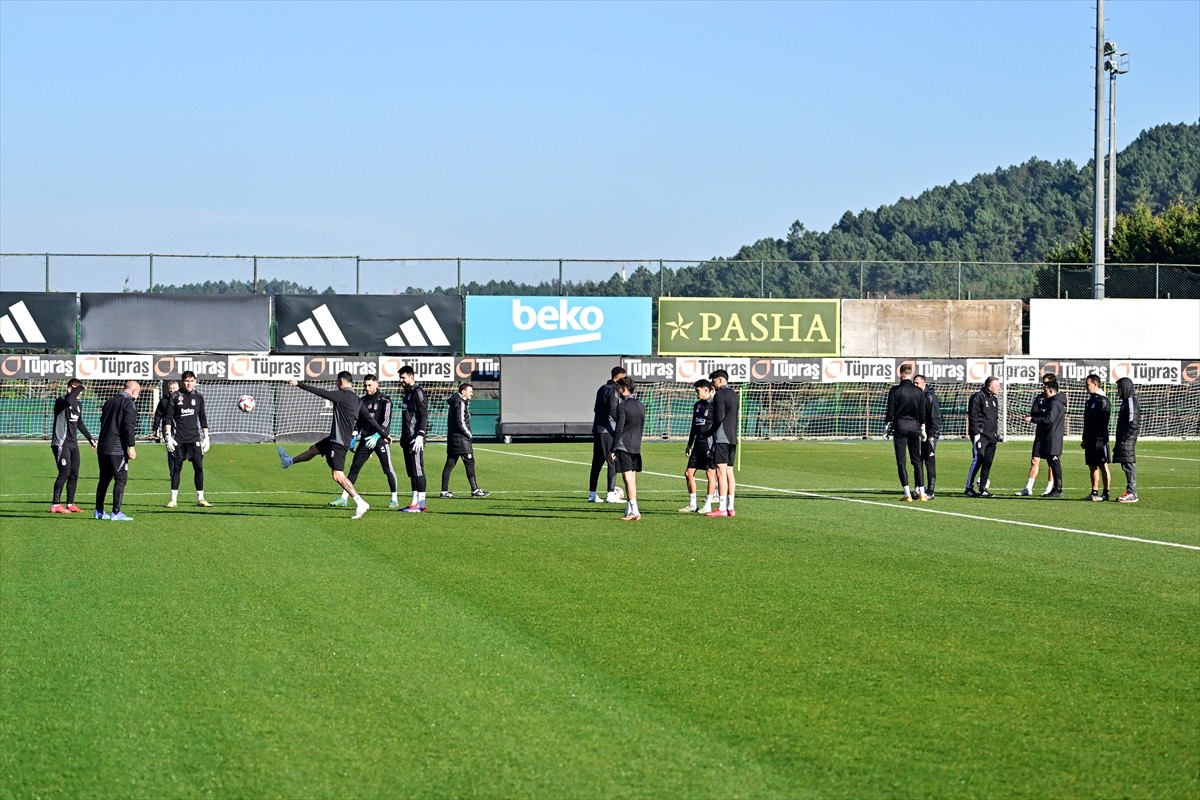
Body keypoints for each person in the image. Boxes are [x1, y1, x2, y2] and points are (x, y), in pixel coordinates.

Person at [278, 371, 391, 519]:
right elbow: (371, 420)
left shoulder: (342, 395)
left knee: (337, 475)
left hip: (339, 443)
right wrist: (384, 434)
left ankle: (360, 502)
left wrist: (299, 384)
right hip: (334, 439)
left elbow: (320, 392)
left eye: (337, 383)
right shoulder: (357, 400)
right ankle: (288, 461)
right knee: (313, 450)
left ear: (341, 382)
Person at [330, 374, 401, 510]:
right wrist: (354, 435)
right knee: (354, 468)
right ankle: (344, 498)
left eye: (369, 385)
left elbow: (386, 421)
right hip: (365, 439)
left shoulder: (385, 400)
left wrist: (377, 435)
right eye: (365, 385)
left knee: (387, 468)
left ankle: (394, 498)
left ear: (376, 384)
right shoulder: (361, 400)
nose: (367, 388)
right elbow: (359, 421)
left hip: (379, 438)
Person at [162, 370, 211, 508]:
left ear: (195, 381)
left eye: (191, 381)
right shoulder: (176, 396)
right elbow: (168, 418)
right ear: (183, 382)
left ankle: (201, 498)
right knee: (176, 468)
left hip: (194, 438)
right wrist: (168, 436)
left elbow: (202, 417)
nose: (189, 384)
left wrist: (206, 436)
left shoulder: (199, 397)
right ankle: (173, 499)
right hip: (178, 439)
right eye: (186, 381)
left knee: (199, 468)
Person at [94, 380, 140, 521]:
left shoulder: (109, 402)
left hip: (103, 447)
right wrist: (131, 446)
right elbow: (129, 426)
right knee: (120, 479)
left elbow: (103, 422)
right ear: (133, 390)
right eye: (139, 392)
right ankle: (116, 512)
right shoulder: (128, 403)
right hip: (117, 448)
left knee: (104, 479)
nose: (138, 396)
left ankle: (99, 512)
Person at [49, 378, 97, 513]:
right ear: (70, 389)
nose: (79, 393)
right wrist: (80, 388)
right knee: (64, 472)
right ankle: (55, 505)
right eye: (76, 390)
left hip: (72, 443)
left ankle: (70, 503)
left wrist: (91, 439)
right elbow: (69, 401)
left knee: (74, 473)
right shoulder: (61, 401)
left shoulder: (78, 405)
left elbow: (79, 423)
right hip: (61, 442)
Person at [885, 363, 928, 501]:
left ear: (900, 374)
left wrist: (887, 427)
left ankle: (907, 493)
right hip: (915, 427)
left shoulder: (895, 390)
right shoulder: (919, 392)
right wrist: (922, 428)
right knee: (917, 461)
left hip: (900, 427)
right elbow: (922, 413)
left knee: (901, 461)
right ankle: (922, 493)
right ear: (910, 374)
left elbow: (890, 412)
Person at [441, 382, 489, 499]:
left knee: (450, 464)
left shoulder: (456, 401)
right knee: (469, 463)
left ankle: (444, 491)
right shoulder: (460, 402)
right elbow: (460, 422)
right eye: (470, 391)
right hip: (461, 440)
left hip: (454, 439)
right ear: (463, 392)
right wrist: (469, 434)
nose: (472, 394)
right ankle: (475, 490)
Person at [609, 376, 646, 522]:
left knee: (627, 478)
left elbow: (619, 428)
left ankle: (635, 511)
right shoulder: (640, 405)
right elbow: (641, 426)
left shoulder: (622, 406)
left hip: (624, 445)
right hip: (636, 445)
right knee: (632, 479)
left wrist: (613, 449)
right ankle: (629, 509)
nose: (617, 390)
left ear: (623, 389)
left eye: (618, 388)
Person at [1015, 373, 1058, 496]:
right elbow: (1034, 412)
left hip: (1051, 434)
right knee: (1034, 460)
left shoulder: (1056, 399)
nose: (1043, 386)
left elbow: (1051, 416)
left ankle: (1050, 487)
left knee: (1052, 461)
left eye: (1045, 383)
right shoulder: (1040, 397)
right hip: (1040, 433)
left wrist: (1042, 414)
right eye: (1042, 383)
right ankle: (1028, 488)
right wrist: (1041, 413)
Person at [588, 366, 626, 503]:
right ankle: (611, 494)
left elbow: (595, 409)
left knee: (597, 463)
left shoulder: (601, 388)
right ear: (618, 377)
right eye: (624, 377)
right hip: (607, 430)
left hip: (597, 429)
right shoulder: (613, 390)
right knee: (612, 460)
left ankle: (592, 494)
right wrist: (622, 422)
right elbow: (612, 410)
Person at [680, 379, 718, 513]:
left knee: (710, 473)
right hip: (697, 444)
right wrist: (689, 444)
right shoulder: (697, 405)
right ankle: (692, 504)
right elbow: (693, 426)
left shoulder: (715, 405)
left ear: (706, 390)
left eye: (698, 390)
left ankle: (708, 504)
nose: (696, 393)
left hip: (709, 444)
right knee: (688, 473)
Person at [396, 365, 430, 512]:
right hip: (407, 439)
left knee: (418, 470)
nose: (401, 380)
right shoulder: (406, 393)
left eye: (403, 377)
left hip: (415, 439)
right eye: (400, 377)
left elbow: (423, 414)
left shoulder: (418, 392)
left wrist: (420, 435)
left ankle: (421, 504)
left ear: (411, 377)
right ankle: (414, 502)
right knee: (412, 472)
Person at [706, 369, 739, 517]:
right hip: (732, 438)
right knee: (729, 473)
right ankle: (730, 507)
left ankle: (722, 508)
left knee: (720, 472)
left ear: (719, 380)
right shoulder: (734, 393)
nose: (713, 385)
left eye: (713, 381)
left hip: (722, 437)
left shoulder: (720, 394)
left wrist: (709, 432)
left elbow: (719, 417)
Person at [1025, 377, 1065, 497]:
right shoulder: (1053, 402)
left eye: (1046, 391)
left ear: (1051, 391)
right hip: (1049, 436)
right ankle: (1055, 489)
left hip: (1053, 438)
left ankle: (1058, 489)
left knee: (1054, 463)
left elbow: (1049, 419)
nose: (1044, 394)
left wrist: (1033, 419)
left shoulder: (1055, 402)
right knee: (1052, 463)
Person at [965, 376, 1000, 497]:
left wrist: (995, 433)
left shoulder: (994, 399)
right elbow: (973, 417)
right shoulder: (977, 397)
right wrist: (976, 434)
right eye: (996, 386)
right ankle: (968, 487)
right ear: (989, 387)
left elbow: (994, 418)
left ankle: (983, 488)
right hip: (980, 436)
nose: (999, 388)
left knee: (988, 461)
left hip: (992, 436)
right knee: (978, 459)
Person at [1081, 374, 1112, 501]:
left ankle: (1106, 493)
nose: (1086, 387)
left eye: (1088, 384)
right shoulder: (1090, 401)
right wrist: (1085, 438)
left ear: (1095, 384)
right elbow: (1087, 422)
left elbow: (1104, 421)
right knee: (1092, 464)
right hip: (1090, 439)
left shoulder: (1102, 400)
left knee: (1103, 464)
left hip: (1100, 439)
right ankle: (1094, 491)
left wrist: (1100, 439)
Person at [913, 373, 941, 500]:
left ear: (924, 384)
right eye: (914, 383)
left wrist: (932, 435)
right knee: (917, 461)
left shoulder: (930, 397)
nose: (915, 385)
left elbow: (935, 417)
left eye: (917, 383)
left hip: (929, 435)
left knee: (929, 462)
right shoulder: (915, 396)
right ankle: (918, 487)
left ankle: (931, 490)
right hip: (917, 434)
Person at [1113, 376, 1140, 503]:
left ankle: (1132, 493)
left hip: (1128, 440)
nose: (1117, 390)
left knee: (1129, 464)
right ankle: (1130, 491)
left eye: (1119, 388)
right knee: (1126, 464)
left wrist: (1123, 438)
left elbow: (1133, 423)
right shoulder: (1126, 402)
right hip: (1125, 439)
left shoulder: (1131, 401)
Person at [149, 379, 179, 476]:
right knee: (171, 451)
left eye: (173, 388)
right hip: (167, 428)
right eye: (170, 388)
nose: (171, 390)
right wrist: (155, 428)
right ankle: (173, 473)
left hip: (181, 428)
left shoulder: (183, 398)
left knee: (179, 451)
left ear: (177, 388)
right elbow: (158, 415)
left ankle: (177, 470)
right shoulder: (164, 400)